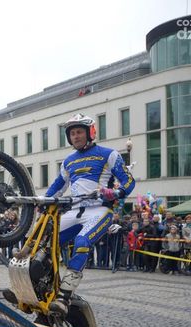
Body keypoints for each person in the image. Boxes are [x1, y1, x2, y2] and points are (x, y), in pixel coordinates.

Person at [42, 113, 135, 315]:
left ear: (90, 132)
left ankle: (64, 296)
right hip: (75, 211)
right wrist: (42, 202)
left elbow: (129, 181)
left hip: (100, 210)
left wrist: (115, 193)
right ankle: (40, 285)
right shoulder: (68, 161)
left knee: (82, 242)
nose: (75, 136)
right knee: (44, 241)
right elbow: (57, 187)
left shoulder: (109, 154)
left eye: (79, 132)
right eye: (72, 133)